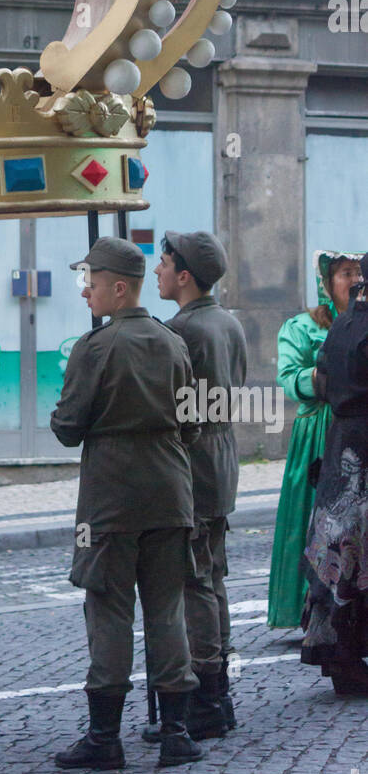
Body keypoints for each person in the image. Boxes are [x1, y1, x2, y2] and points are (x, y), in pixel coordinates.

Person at [49, 237, 202, 771]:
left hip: (111, 496)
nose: (84, 290)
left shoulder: (93, 348)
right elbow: (193, 422)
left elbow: (68, 428)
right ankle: (177, 732)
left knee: (109, 609)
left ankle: (104, 738)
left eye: (90, 280)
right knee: (167, 608)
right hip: (169, 488)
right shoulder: (172, 342)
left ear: (119, 287)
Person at [152, 231, 247, 740]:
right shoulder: (227, 322)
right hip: (223, 456)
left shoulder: (182, 330)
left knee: (196, 581)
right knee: (214, 575)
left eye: (163, 264)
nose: (157, 272)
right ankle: (219, 695)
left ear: (184, 275)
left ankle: (206, 697)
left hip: (193, 461)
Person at [268, 251, 364, 629]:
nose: (354, 280)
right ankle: (306, 608)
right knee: (314, 518)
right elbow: (290, 377)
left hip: (357, 428)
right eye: (345, 273)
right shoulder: (301, 327)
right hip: (320, 430)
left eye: (358, 272)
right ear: (326, 283)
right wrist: (329, 380)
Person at [301, 254, 368, 694]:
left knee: (340, 552)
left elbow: (323, 382)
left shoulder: (345, 322)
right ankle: (348, 656)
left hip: (342, 442)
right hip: (363, 449)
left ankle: (339, 657)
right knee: (356, 554)